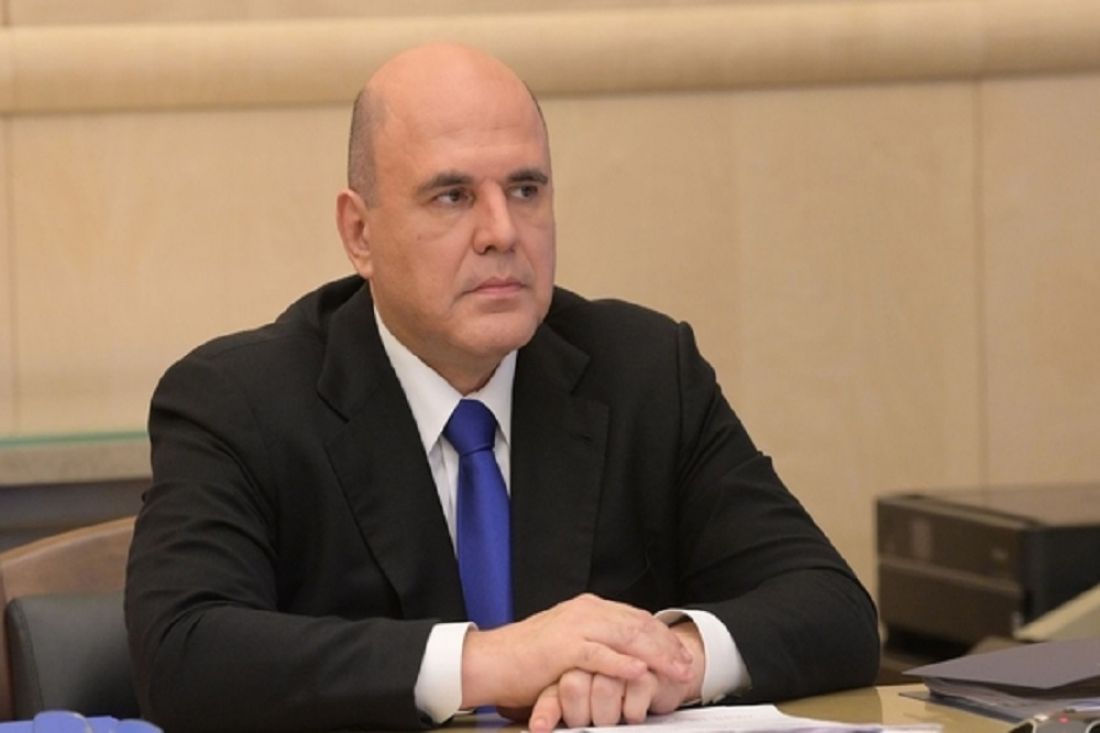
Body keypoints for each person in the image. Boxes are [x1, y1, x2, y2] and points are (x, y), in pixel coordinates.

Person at [125, 43, 879, 733]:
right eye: (452, 196)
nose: (502, 231)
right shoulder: (240, 401)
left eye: (525, 189)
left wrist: (663, 659)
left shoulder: (646, 371)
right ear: (360, 233)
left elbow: (834, 607)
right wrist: (489, 661)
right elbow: (183, 656)